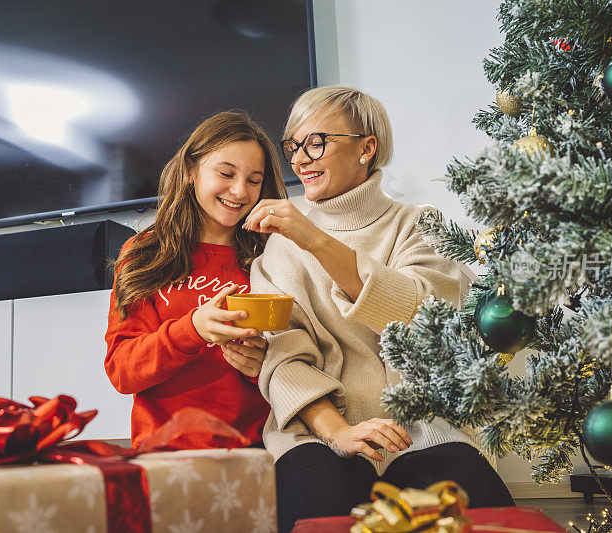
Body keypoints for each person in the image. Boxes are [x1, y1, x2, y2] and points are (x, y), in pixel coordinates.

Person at [243, 87, 514, 531]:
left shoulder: (418, 224)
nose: (299, 161)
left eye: (317, 142)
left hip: (420, 428)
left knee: (480, 511)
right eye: (293, 146)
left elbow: (424, 318)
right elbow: (284, 358)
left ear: (367, 147)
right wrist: (339, 433)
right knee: (317, 503)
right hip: (318, 431)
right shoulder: (280, 245)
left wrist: (315, 239)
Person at [105, 111, 287, 449]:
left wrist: (260, 366)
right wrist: (193, 330)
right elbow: (122, 370)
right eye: (226, 173)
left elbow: (300, 359)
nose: (239, 191)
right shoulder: (146, 253)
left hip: (257, 451)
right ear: (191, 169)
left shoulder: (274, 255)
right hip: (165, 455)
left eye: (254, 179)